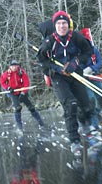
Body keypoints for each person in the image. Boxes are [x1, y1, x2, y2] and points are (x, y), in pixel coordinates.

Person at [37, 11, 95, 156]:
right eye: (59, 23)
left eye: (64, 23)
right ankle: (74, 141)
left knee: (86, 105)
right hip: (59, 77)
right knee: (70, 104)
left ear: (68, 24)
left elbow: (88, 51)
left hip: (76, 73)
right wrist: (57, 69)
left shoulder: (76, 37)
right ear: (54, 25)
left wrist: (75, 62)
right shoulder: (49, 41)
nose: (62, 26)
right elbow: (42, 60)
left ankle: (84, 123)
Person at [80, 28, 102, 127]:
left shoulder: (93, 49)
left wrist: (91, 69)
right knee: (91, 100)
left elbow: (100, 62)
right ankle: (94, 122)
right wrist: (82, 71)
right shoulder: (78, 52)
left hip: (95, 76)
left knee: (101, 97)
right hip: (85, 79)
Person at [0, 59, 46, 131]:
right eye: (13, 66)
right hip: (13, 93)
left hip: (22, 91)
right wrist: (8, 88)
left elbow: (26, 83)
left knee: (31, 107)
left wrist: (23, 92)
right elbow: (2, 82)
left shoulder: (21, 72)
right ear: (10, 66)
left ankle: (41, 123)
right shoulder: (7, 74)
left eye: (15, 66)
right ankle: (19, 127)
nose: (14, 67)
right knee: (18, 108)